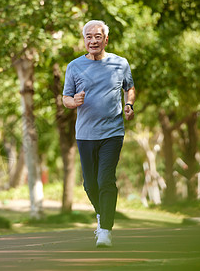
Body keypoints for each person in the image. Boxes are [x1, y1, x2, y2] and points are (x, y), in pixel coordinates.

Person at [62, 20, 135, 247]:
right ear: (84, 40)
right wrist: (73, 101)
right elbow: (65, 98)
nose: (93, 40)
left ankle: (105, 231)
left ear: (106, 39)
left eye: (97, 36)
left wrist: (129, 105)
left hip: (112, 132)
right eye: (89, 37)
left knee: (106, 180)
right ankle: (103, 215)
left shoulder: (120, 63)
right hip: (85, 134)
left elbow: (129, 88)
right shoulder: (74, 67)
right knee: (90, 185)